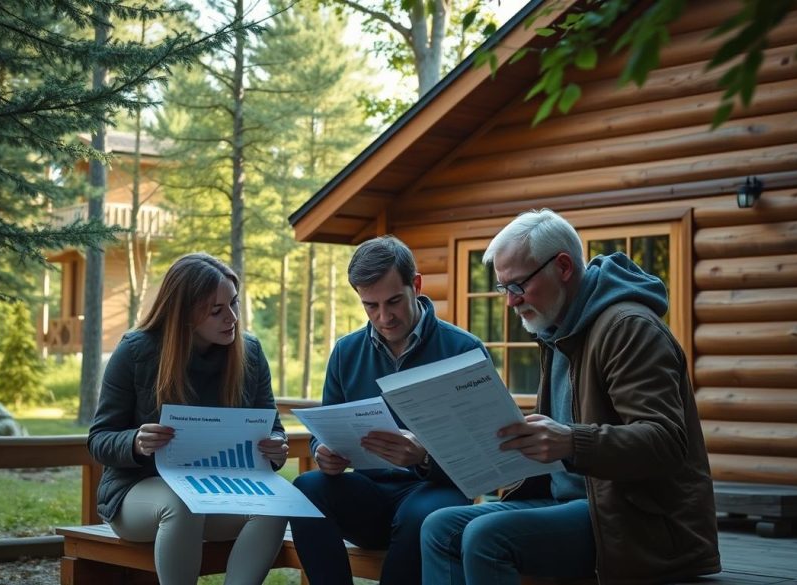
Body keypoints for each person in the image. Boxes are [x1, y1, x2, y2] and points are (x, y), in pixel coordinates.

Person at [421, 209, 720, 584]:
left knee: (486, 537)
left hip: (638, 521)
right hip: (572, 504)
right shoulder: (558, 329)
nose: (511, 302)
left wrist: (570, 441)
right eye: (504, 289)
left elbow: (667, 443)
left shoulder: (629, 328)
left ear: (562, 266)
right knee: (440, 526)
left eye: (518, 286)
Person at [290, 235, 487, 585]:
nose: (384, 317)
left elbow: (483, 451)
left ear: (416, 285)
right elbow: (324, 431)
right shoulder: (346, 352)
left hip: (435, 491)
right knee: (306, 486)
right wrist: (324, 452)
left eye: (394, 301)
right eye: (370, 305)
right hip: (370, 494)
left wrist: (424, 457)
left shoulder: (464, 349)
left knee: (420, 515)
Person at [87, 253, 288, 585]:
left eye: (234, 304)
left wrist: (276, 447)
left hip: (220, 490)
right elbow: (99, 439)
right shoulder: (136, 352)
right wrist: (135, 441)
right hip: (138, 494)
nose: (232, 318)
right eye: (217, 310)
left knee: (277, 503)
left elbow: (272, 426)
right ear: (184, 313)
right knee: (181, 502)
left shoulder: (249, 353)